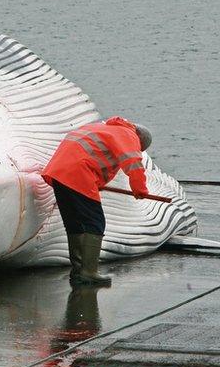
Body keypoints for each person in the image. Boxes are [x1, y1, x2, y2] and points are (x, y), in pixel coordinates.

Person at [41, 117, 152, 287]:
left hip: (59, 173)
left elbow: (94, 156)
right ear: (139, 139)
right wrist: (140, 189)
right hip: (78, 174)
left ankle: (78, 271)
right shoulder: (128, 134)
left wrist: (96, 183)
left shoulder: (101, 128)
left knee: (75, 222)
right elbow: (133, 162)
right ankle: (89, 272)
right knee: (95, 222)